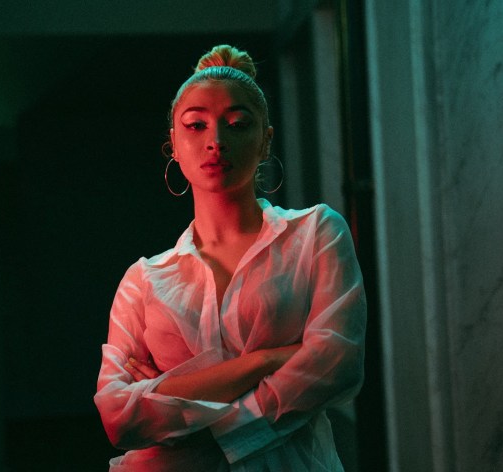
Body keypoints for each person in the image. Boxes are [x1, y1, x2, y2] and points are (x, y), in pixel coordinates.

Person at [93, 45, 367, 471]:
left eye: (237, 125)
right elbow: (118, 416)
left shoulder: (315, 234)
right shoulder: (144, 280)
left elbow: (337, 364)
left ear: (266, 141)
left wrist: (177, 397)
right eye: (196, 125)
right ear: (173, 144)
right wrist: (268, 359)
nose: (217, 142)